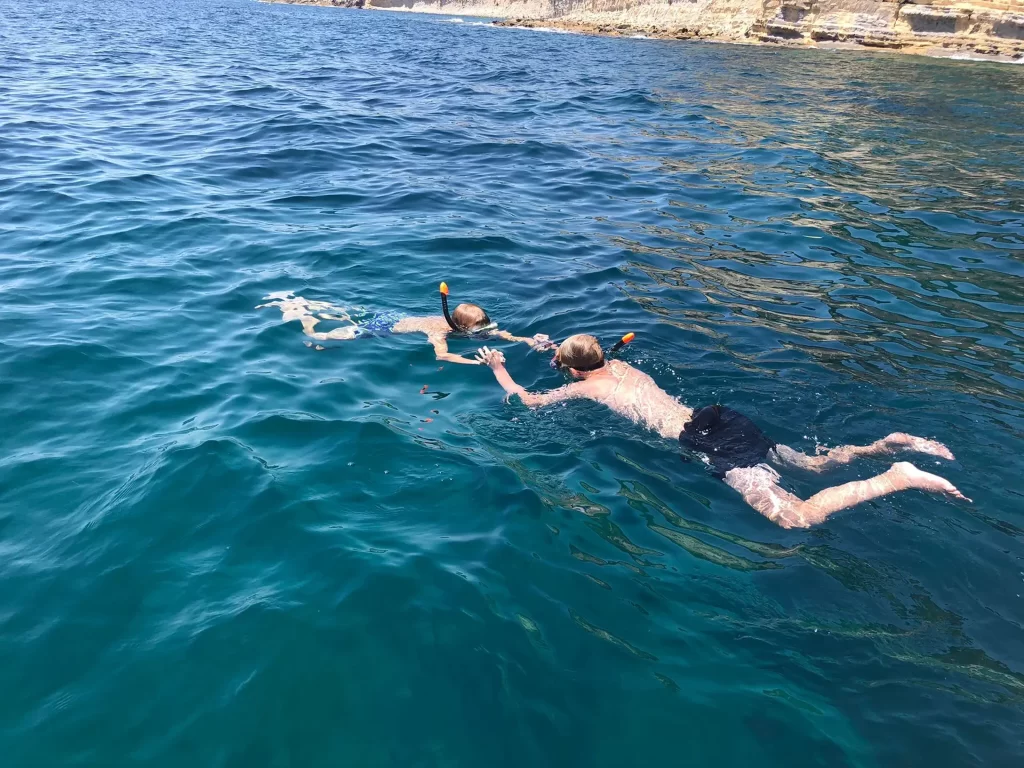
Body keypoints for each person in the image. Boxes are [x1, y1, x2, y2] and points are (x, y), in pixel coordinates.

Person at [474, 334, 968, 529]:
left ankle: (896, 475)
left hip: (707, 444)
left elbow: (532, 401)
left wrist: (498, 367)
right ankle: (885, 443)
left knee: (795, 518)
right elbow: (583, 358)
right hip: (721, 417)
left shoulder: (589, 391)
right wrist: (551, 349)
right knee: (814, 464)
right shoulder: (619, 367)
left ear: (572, 369)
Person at [258, 289, 554, 365]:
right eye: (478, 331)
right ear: (461, 328)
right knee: (318, 336)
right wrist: (476, 362)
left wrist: (528, 340)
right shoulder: (439, 331)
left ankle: (308, 302)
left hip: (396, 315)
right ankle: (298, 313)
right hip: (384, 327)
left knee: (348, 315)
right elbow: (441, 355)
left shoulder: (464, 325)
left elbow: (503, 334)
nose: (483, 333)